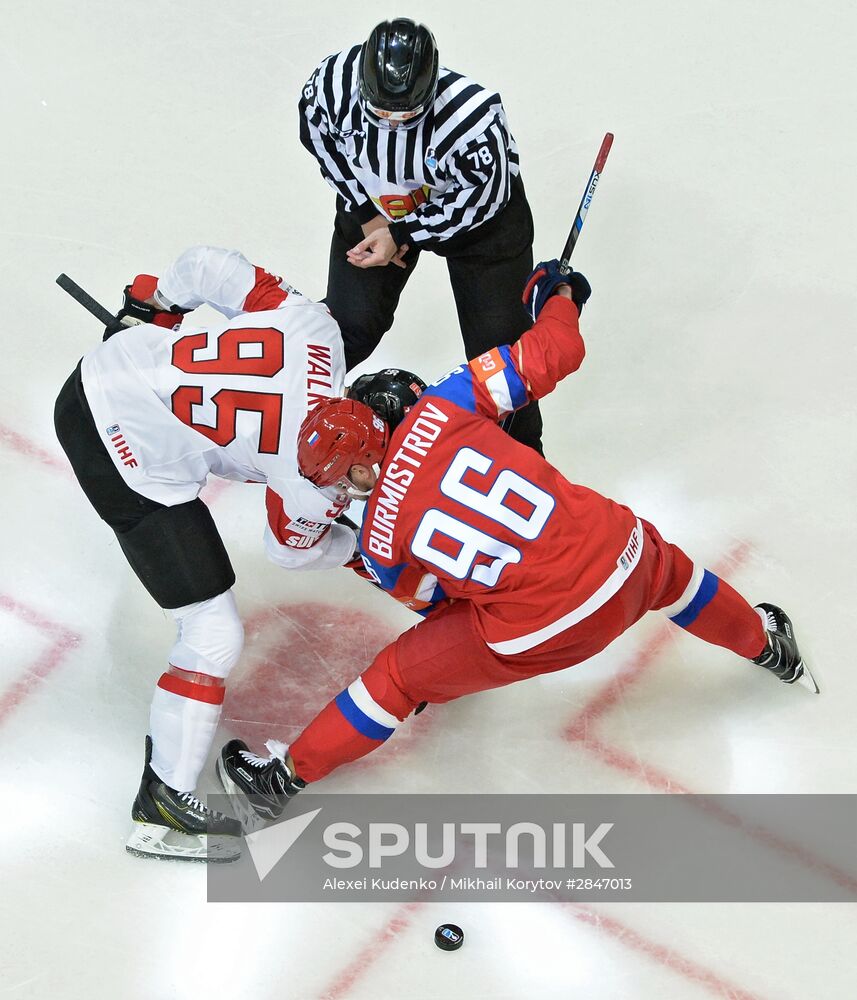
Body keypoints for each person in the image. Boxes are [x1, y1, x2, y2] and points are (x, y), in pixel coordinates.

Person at [217, 260, 817, 815]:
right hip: (625, 557)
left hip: (540, 634)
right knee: (677, 580)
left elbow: (438, 609)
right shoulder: (447, 403)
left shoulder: (378, 539)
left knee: (397, 679)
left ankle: (279, 783)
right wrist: (559, 294)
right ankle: (769, 647)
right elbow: (559, 350)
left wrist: (435, 662)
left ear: (355, 470)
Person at [54, 244, 424, 862]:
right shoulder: (312, 482)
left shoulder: (316, 331)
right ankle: (162, 803)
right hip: (122, 451)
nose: (371, 478)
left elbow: (204, 265)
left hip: (112, 365)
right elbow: (292, 550)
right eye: (369, 470)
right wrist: (362, 545)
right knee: (211, 631)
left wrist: (155, 308)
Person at [299, 16, 544, 453]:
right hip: (376, 208)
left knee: (500, 359)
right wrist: (365, 211)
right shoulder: (331, 84)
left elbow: (482, 200)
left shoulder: (473, 118)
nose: (392, 124)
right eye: (380, 112)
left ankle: (523, 458)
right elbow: (317, 135)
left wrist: (404, 232)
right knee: (348, 325)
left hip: (479, 229)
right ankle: (291, 415)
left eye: (407, 115)